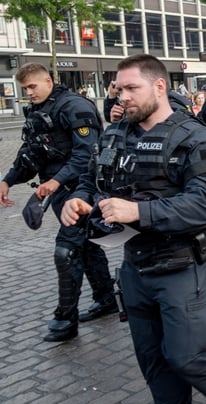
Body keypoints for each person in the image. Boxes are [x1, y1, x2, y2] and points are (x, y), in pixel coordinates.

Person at [59, 54, 206, 404]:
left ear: (159, 87)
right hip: (133, 268)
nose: (121, 96)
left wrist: (138, 213)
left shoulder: (194, 138)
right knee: (152, 357)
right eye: (118, 89)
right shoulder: (114, 135)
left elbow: (204, 205)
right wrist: (80, 201)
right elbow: (95, 183)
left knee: (186, 355)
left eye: (131, 89)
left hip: (181, 266)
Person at [0, 62, 115, 342]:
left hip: (81, 191)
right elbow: (30, 153)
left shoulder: (75, 106)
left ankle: (65, 320)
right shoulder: (37, 110)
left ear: (48, 81)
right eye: (24, 88)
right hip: (58, 192)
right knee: (86, 246)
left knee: (66, 252)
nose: (29, 93)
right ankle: (106, 299)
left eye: (32, 86)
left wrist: (57, 180)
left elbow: (88, 154)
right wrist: (8, 180)